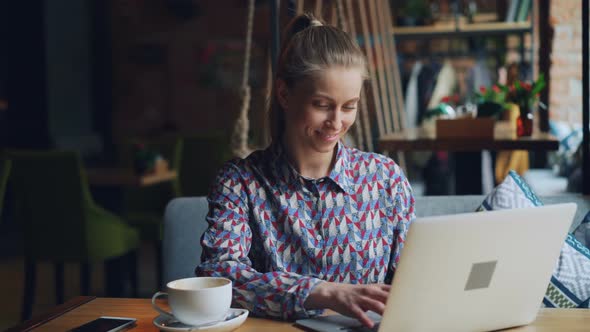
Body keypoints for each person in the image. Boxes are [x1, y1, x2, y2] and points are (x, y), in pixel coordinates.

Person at [196, 13, 415, 328]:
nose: (337, 122)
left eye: (349, 106)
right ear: (285, 94)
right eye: (323, 105)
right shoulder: (239, 183)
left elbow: (414, 280)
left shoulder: (385, 178)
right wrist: (323, 292)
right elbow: (219, 276)